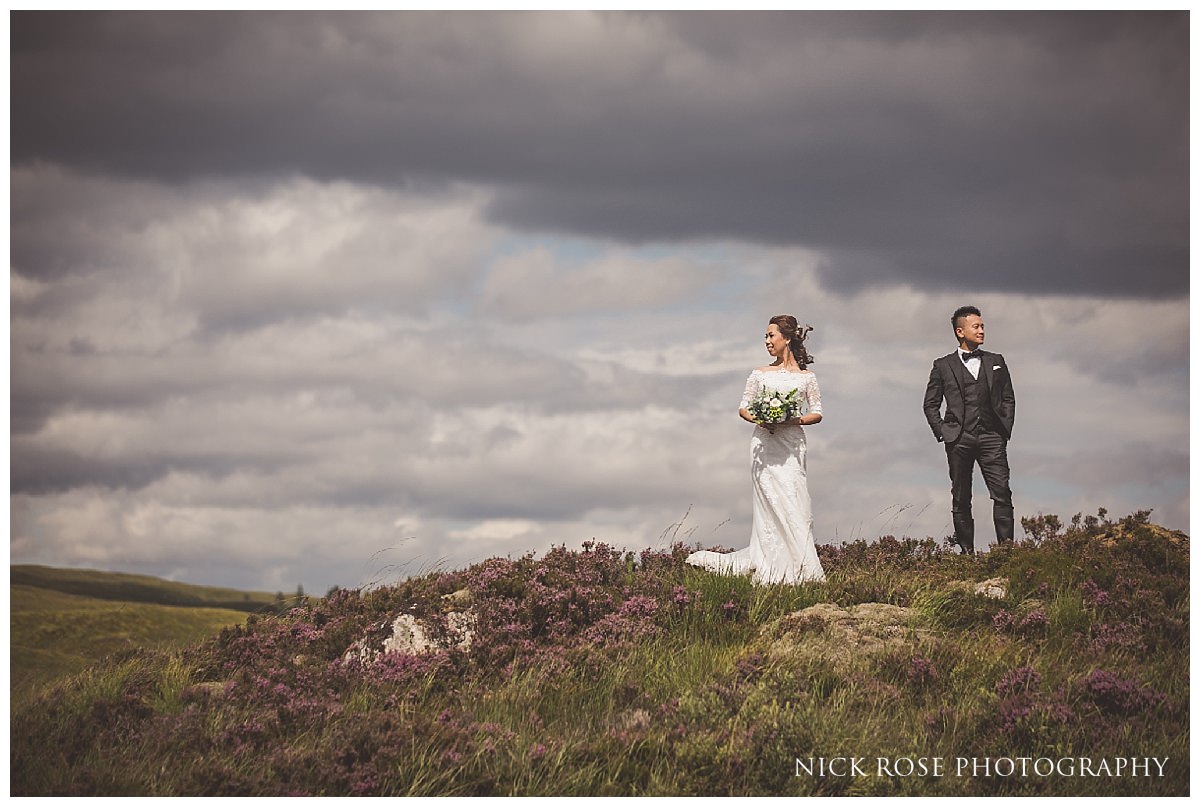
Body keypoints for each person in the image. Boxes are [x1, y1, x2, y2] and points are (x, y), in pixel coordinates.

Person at [686, 315, 826, 584]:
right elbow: (743, 407)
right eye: (765, 336)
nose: (766, 341)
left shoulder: (807, 378)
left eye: (771, 336)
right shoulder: (759, 374)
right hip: (764, 444)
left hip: (792, 444)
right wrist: (761, 418)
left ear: (787, 338)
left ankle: (802, 567)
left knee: (796, 502)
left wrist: (791, 419)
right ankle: (770, 565)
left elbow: (817, 413)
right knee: (770, 503)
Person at [922, 305, 1016, 554]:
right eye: (977, 326)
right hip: (958, 439)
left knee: (1002, 493)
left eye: (983, 326)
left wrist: (1004, 428)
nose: (982, 331)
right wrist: (942, 431)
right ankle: (967, 554)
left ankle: (1006, 553)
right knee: (961, 498)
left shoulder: (996, 361)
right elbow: (930, 404)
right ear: (960, 331)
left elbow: (1008, 397)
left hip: (992, 437)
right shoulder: (942, 365)